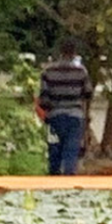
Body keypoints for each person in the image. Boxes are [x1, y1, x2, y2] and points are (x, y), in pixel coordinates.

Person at [36, 42, 91, 176]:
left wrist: (48, 111)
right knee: (71, 150)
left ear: (60, 52)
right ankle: (69, 177)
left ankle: (54, 177)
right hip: (75, 116)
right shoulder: (81, 71)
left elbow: (43, 98)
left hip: (54, 116)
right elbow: (88, 93)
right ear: (74, 53)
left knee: (54, 149)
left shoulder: (48, 72)